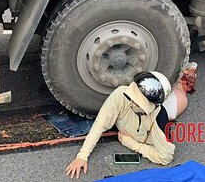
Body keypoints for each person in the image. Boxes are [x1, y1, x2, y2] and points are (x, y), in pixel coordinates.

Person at [66, 62, 198, 179]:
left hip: (165, 110)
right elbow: (101, 123)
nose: (134, 102)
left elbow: (166, 157)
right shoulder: (122, 94)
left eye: (139, 103)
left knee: (182, 94)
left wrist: (132, 143)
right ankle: (178, 77)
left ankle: (187, 74)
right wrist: (82, 156)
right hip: (156, 103)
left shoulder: (160, 120)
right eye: (134, 97)